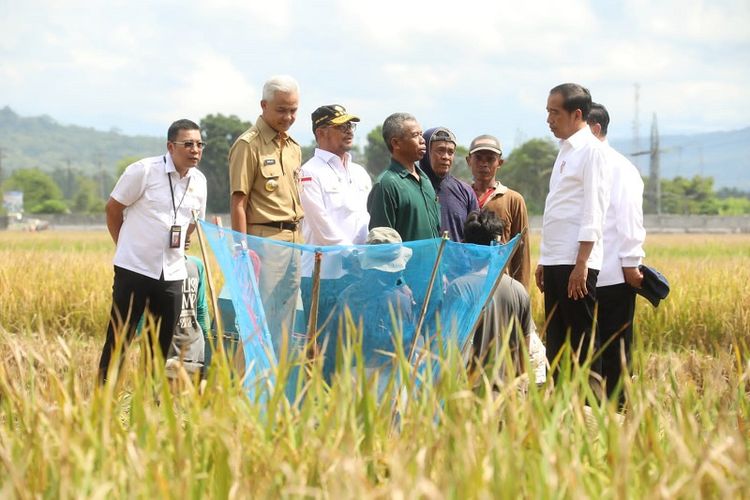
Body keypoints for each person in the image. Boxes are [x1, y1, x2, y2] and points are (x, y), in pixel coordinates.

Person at [98, 119, 208, 384]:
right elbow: (113, 209)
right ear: (171, 146)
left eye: (199, 144)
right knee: (120, 338)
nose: (195, 150)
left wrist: (180, 244)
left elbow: (193, 222)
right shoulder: (144, 171)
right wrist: (124, 247)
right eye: (188, 144)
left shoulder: (200, 181)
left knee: (160, 344)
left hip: (172, 272)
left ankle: (151, 402)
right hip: (134, 268)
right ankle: (103, 401)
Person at [535, 83, 611, 379]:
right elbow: (558, 210)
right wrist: (544, 258)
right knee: (556, 343)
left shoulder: (591, 151)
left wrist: (581, 264)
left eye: (555, 112)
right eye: (548, 112)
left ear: (576, 114)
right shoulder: (565, 151)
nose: (549, 119)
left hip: (575, 262)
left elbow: (594, 210)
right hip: (556, 260)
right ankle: (560, 410)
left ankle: (589, 412)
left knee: (581, 343)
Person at [228, 75, 303, 344]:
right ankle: (249, 383)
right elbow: (238, 201)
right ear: (264, 106)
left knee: (285, 320)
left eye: (293, 110)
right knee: (259, 320)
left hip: (294, 241)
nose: (288, 117)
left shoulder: (293, 147)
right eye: (281, 110)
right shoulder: (248, 145)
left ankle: (277, 381)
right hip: (264, 242)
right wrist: (242, 251)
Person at [587, 102, 646, 406]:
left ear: (594, 128)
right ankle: (590, 410)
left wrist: (631, 264)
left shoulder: (621, 168)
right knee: (589, 348)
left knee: (616, 348)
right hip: (583, 276)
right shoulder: (577, 162)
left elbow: (630, 220)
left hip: (613, 275)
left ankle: (618, 412)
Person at [299, 104, 372, 329]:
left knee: (354, 346)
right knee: (323, 349)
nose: (349, 130)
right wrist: (353, 256)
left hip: (359, 273)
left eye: (351, 125)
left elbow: (367, 220)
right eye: (341, 126)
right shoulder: (309, 172)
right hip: (324, 277)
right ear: (321, 133)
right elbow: (322, 226)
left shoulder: (359, 172)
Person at [319, 227, 416, 386]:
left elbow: (332, 346)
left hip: (350, 377)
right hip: (388, 379)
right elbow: (406, 350)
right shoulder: (401, 301)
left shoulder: (348, 295)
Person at [446, 209, 532, 376]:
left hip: (468, 397)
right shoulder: (519, 290)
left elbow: (449, 350)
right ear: (499, 246)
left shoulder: (458, 289)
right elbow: (524, 359)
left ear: (466, 247)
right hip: (509, 396)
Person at [468, 134, 531, 289]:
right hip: (466, 282)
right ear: (469, 161)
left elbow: (521, 250)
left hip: (500, 284)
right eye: (478, 158)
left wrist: (520, 292)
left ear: (500, 162)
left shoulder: (513, 200)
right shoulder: (460, 196)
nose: (484, 164)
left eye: (490, 159)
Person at [367, 113, 441, 242]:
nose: (422, 140)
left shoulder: (425, 179)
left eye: (421, 134)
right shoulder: (386, 185)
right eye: (415, 135)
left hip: (434, 262)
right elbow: (382, 244)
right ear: (396, 143)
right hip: (408, 263)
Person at [418, 127, 478, 242]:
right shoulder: (411, 187)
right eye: (440, 150)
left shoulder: (465, 192)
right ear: (426, 153)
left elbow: (475, 238)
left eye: (450, 152)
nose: (446, 157)